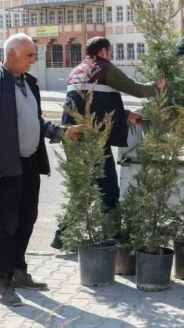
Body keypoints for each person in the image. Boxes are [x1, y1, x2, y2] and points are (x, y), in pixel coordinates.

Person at [0, 33, 81, 306]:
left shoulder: (28, 84)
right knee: (5, 225)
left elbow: (36, 120)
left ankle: (18, 271)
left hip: (29, 163)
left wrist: (61, 132)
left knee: (26, 218)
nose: (35, 60)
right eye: (30, 55)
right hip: (2, 167)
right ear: (12, 55)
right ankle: (1, 282)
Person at [51, 37, 165, 249]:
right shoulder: (104, 68)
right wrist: (158, 86)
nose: (111, 56)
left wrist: (126, 114)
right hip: (92, 138)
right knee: (108, 187)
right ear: (103, 51)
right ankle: (112, 235)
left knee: (81, 186)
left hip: (72, 134)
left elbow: (93, 104)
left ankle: (62, 236)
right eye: (110, 52)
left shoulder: (76, 71)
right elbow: (138, 90)